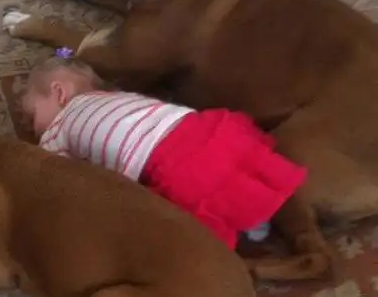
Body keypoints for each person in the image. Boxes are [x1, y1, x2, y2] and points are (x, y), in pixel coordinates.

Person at [20, 50, 307, 249]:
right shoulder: (117, 97)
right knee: (230, 163)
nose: (30, 127)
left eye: (31, 115)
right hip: (201, 127)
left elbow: (52, 175)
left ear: (59, 93)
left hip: (166, 159)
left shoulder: (58, 128)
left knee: (173, 215)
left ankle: (244, 220)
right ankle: (255, 209)